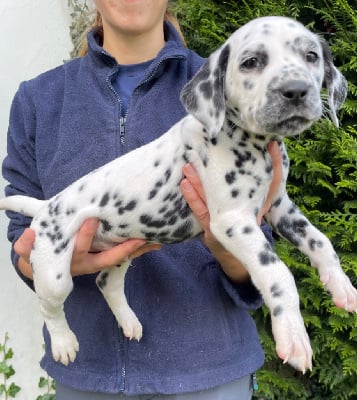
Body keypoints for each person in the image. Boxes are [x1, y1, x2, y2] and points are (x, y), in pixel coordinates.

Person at [3, 1, 275, 398]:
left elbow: (260, 257)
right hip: (85, 377)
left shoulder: (225, 88)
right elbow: (22, 240)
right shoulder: (38, 100)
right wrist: (44, 262)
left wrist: (226, 244)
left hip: (210, 375)